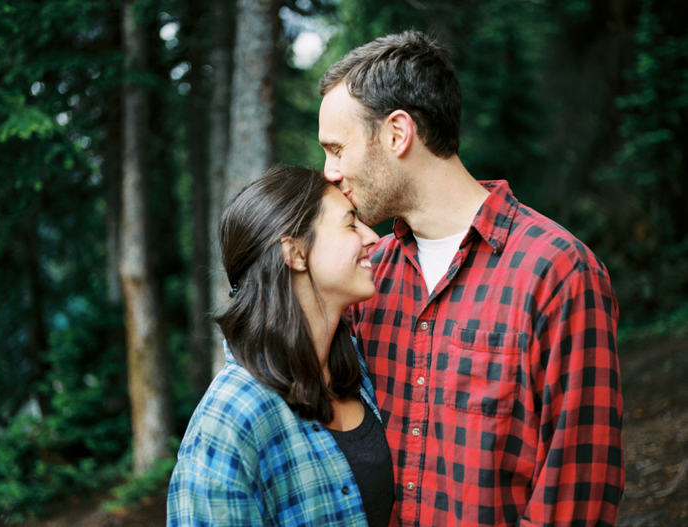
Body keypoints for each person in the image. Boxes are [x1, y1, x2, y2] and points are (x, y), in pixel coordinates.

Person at [317, 30, 624, 527]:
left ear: (398, 134)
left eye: (336, 148)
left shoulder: (556, 271)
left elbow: (577, 491)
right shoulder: (369, 276)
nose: (328, 172)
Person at [166, 165, 395, 527]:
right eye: (351, 224)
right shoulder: (229, 422)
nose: (373, 237)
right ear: (296, 253)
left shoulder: (362, 374)